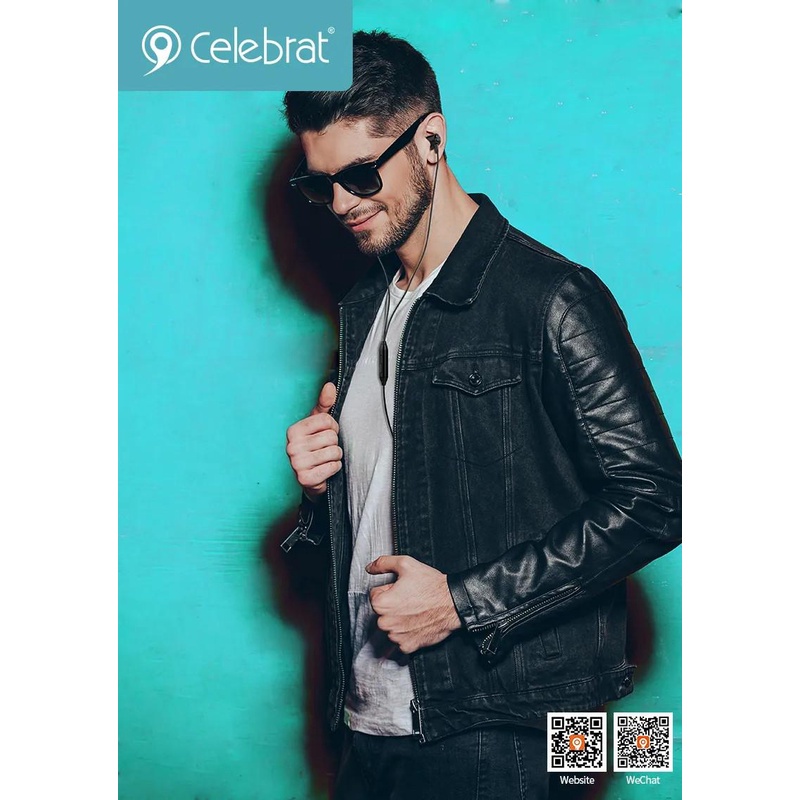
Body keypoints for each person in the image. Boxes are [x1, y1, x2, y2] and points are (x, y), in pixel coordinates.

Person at [281, 30, 681, 800]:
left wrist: (462, 603)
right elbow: (391, 510)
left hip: (502, 731)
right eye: (319, 185)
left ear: (431, 140)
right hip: (368, 723)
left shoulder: (549, 298)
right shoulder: (364, 308)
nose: (342, 205)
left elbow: (657, 498)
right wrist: (318, 489)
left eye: (360, 175)